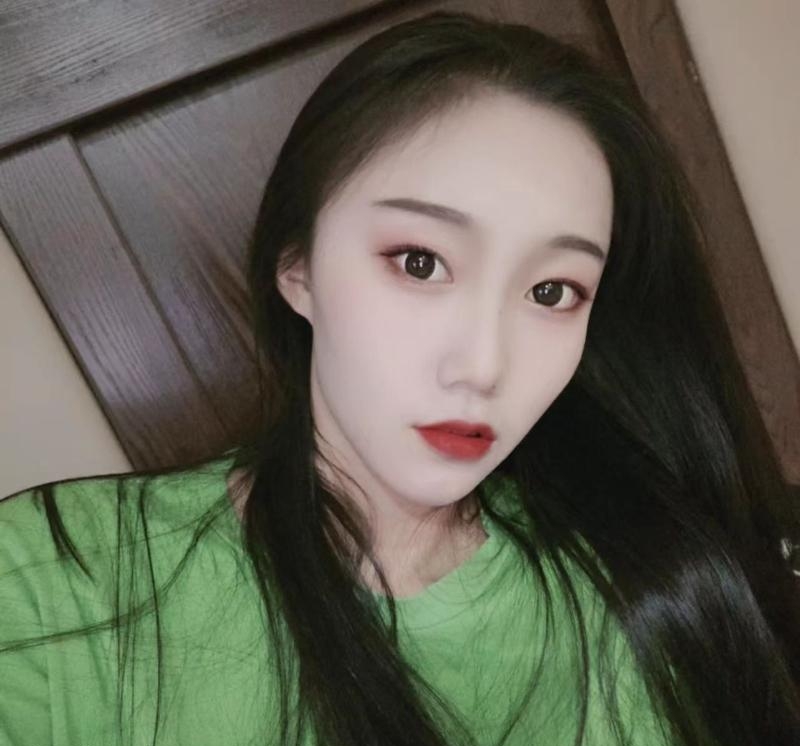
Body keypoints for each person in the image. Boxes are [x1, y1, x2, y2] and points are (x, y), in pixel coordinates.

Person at [1, 9, 799, 746]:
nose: (484, 366)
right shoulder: (57, 583)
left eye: (552, 292)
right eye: (420, 263)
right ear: (298, 268)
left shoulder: (636, 574)